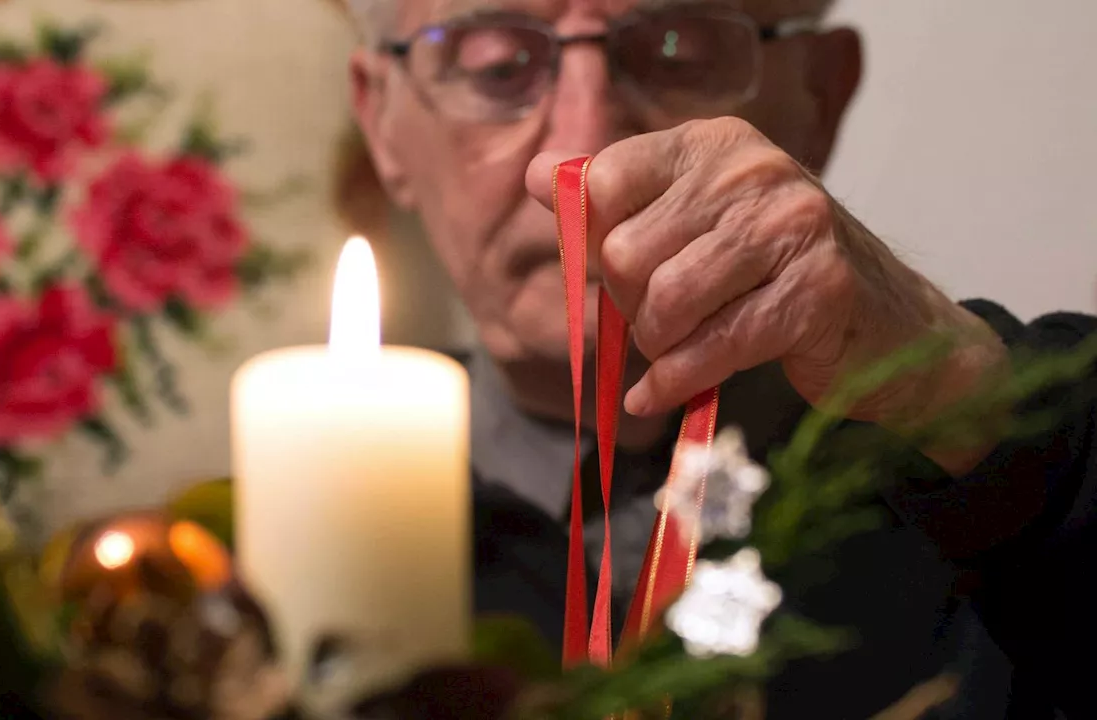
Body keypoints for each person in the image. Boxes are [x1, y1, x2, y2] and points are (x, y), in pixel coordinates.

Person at [341, 0, 1097, 717]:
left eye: (679, 50)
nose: (587, 145)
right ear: (381, 122)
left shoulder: (988, 480)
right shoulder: (276, 548)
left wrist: (966, 391)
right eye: (498, 66)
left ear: (821, 94)